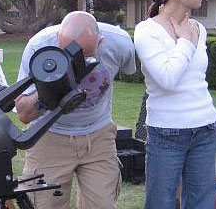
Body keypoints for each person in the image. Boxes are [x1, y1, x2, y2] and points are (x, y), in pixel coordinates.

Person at [15, 11, 136, 209]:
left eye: (85, 56)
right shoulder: (40, 47)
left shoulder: (120, 43)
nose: (77, 61)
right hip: (50, 138)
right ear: (57, 40)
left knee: (102, 205)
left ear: (100, 41)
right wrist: (52, 84)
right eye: (69, 54)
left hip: (98, 136)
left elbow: (130, 71)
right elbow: (24, 114)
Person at [134, 0, 216, 209]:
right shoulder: (147, 31)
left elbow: (195, 78)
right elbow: (167, 78)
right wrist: (184, 42)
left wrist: (189, 38)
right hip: (166, 133)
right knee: (160, 203)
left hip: (205, 128)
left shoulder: (198, 29)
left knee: (202, 203)